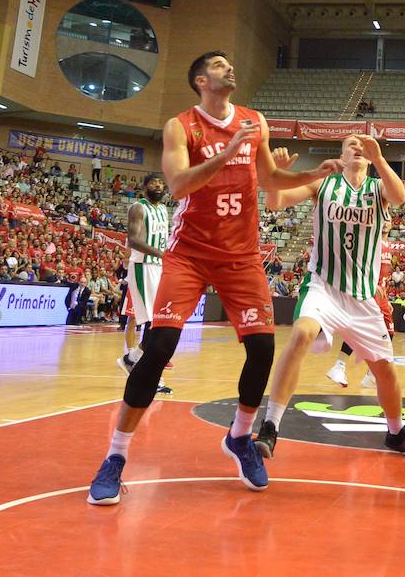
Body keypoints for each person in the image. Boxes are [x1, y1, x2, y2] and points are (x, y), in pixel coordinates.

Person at [86, 51, 342, 505]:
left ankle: (240, 437)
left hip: (240, 255)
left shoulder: (254, 120)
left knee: (262, 349)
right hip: (189, 254)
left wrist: (311, 174)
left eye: (231, 62)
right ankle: (116, 456)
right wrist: (226, 153)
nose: (230, 67)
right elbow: (179, 185)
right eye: (221, 65)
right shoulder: (180, 126)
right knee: (159, 348)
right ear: (201, 79)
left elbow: (269, 178)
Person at [253, 134, 405, 460]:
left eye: (363, 144)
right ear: (341, 153)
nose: (357, 146)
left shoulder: (377, 188)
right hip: (323, 286)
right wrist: (274, 177)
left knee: (385, 372)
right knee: (300, 333)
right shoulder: (324, 184)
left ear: (369, 156)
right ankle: (270, 425)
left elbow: (401, 196)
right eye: (350, 142)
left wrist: (381, 160)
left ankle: (396, 432)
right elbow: (275, 202)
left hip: (364, 297)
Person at [117, 173, 172, 396]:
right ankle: (147, 372)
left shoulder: (163, 209)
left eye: (160, 183)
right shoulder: (138, 208)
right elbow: (133, 240)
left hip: (159, 267)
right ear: (144, 187)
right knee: (153, 324)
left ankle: (132, 359)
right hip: (143, 267)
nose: (157, 186)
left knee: (160, 324)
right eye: (153, 183)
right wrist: (161, 254)